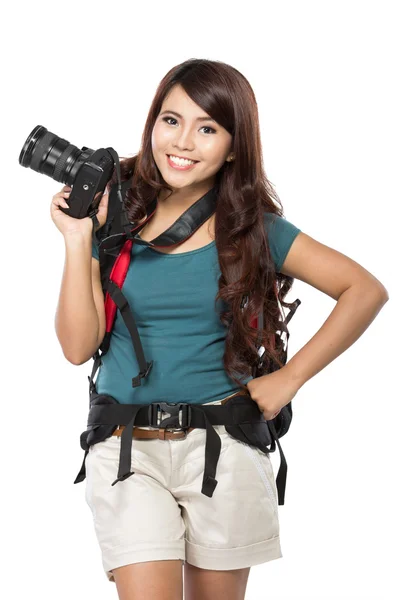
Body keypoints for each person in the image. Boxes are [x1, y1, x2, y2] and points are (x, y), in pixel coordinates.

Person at [51, 58, 389, 600]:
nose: (182, 141)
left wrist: (291, 378)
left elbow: (365, 290)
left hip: (224, 446)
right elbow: (76, 347)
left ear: (233, 146)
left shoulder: (252, 230)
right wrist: (76, 239)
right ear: (152, 124)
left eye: (207, 128)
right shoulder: (115, 218)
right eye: (171, 120)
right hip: (126, 446)